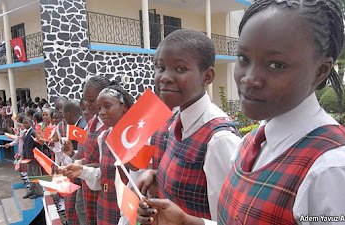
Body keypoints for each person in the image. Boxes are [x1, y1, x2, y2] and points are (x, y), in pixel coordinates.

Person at [137, 1, 345, 225]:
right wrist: (187, 222)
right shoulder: (251, 143)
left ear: (320, 71)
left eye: (276, 65)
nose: (249, 78)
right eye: (244, 59)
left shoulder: (333, 171)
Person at [135, 28, 241, 221]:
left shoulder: (219, 139)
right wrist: (154, 175)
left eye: (181, 69)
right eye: (160, 67)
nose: (165, 77)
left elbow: (230, 220)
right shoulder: (177, 124)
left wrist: (186, 221)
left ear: (207, 77)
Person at [64, 85, 135, 225]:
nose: (101, 112)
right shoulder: (104, 137)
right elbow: (104, 176)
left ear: (124, 107)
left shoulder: (135, 139)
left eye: (107, 106)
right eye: (100, 107)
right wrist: (83, 171)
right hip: (105, 207)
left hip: (126, 211)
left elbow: (136, 186)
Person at [61, 76, 111, 225]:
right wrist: (72, 154)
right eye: (85, 100)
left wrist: (82, 168)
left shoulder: (110, 128)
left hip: (102, 191)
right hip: (86, 187)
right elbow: (86, 157)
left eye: (91, 100)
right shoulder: (91, 125)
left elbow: (106, 166)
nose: (87, 105)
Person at [21, 116, 43, 199]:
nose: (25, 124)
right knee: (30, 174)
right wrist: (23, 154)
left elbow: (38, 146)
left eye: (26, 123)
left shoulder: (33, 133)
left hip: (34, 158)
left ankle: (39, 191)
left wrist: (37, 156)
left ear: (31, 123)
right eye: (24, 123)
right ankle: (32, 190)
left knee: (36, 175)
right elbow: (24, 146)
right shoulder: (25, 133)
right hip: (28, 158)